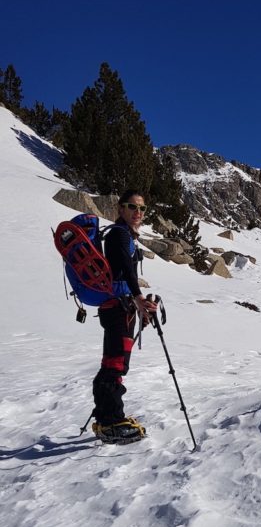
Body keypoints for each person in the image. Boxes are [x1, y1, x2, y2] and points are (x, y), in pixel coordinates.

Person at [92, 190, 158, 443]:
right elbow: (127, 269)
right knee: (116, 362)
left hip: (118, 306)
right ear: (121, 209)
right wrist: (139, 297)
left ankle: (107, 417)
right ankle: (111, 422)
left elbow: (123, 269)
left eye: (142, 209)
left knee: (113, 361)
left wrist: (135, 300)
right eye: (132, 207)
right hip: (117, 307)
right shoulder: (120, 234)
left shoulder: (123, 234)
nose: (138, 213)